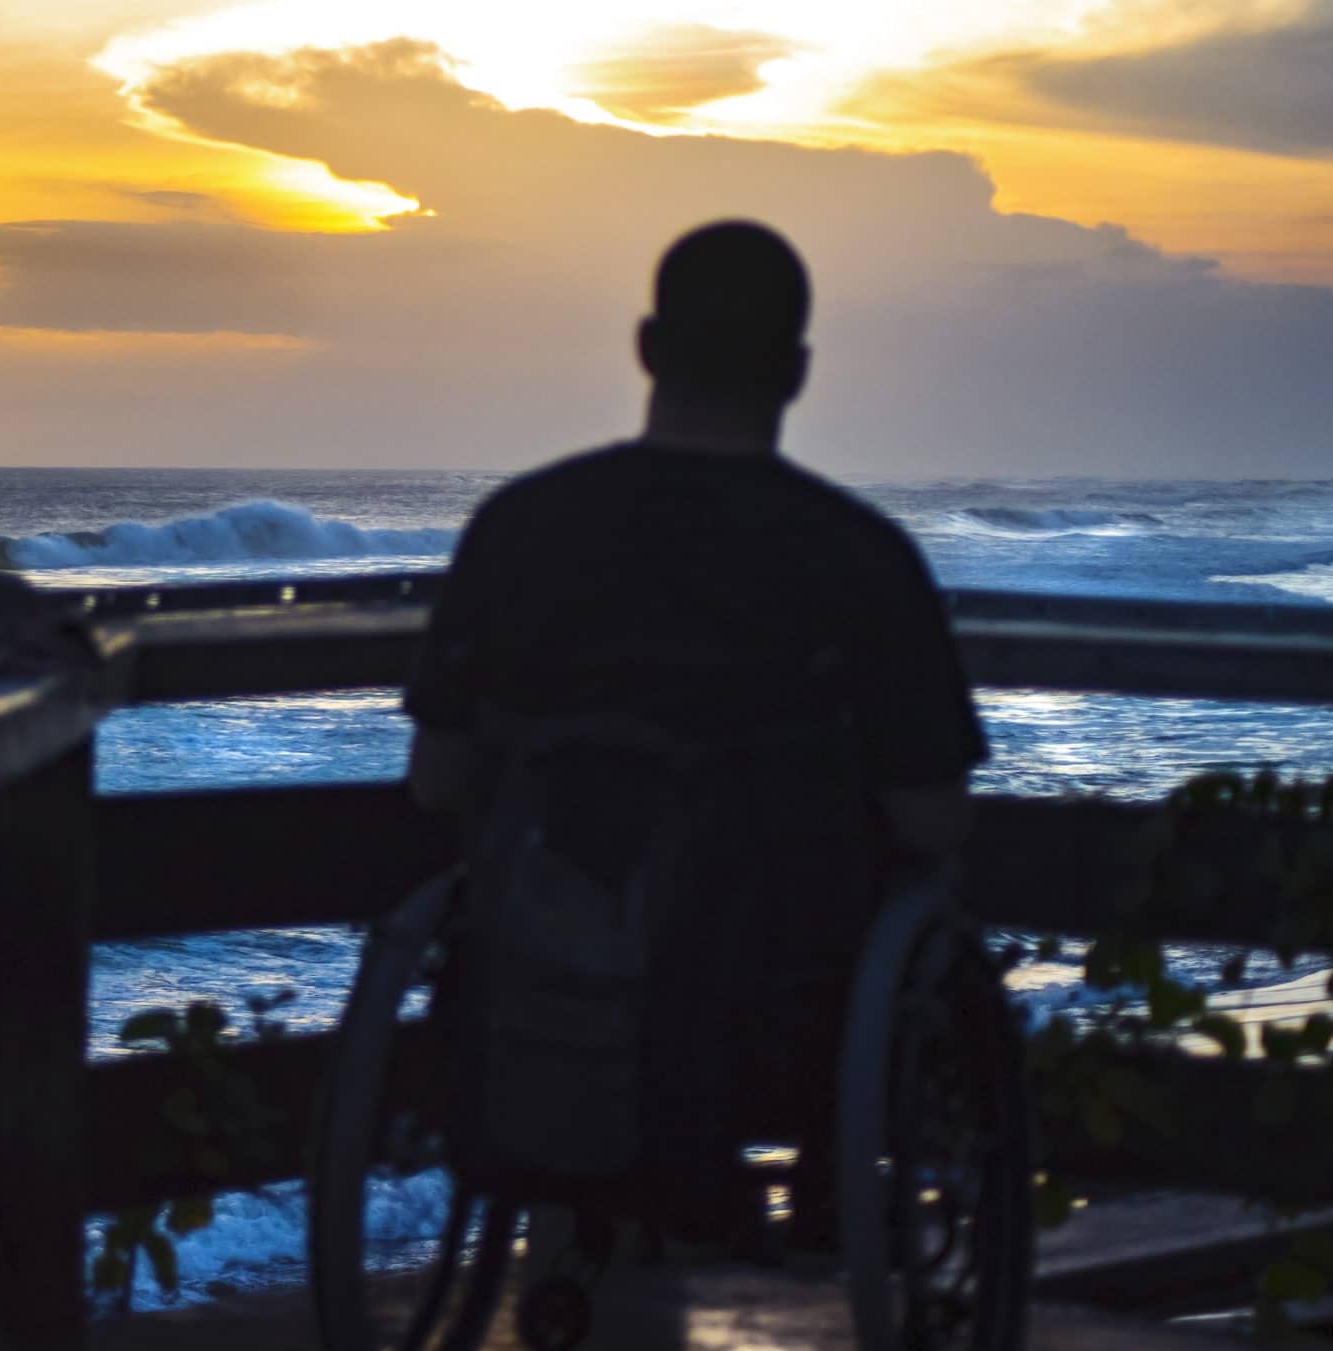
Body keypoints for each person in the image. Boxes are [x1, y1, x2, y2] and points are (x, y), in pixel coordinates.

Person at [404, 219, 986, 1249]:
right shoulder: (858, 557)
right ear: (797, 372)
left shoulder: (520, 530)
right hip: (786, 1018)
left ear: (645, 347)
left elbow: (439, 781)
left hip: (542, 983)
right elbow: (931, 816)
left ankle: (568, 1238)